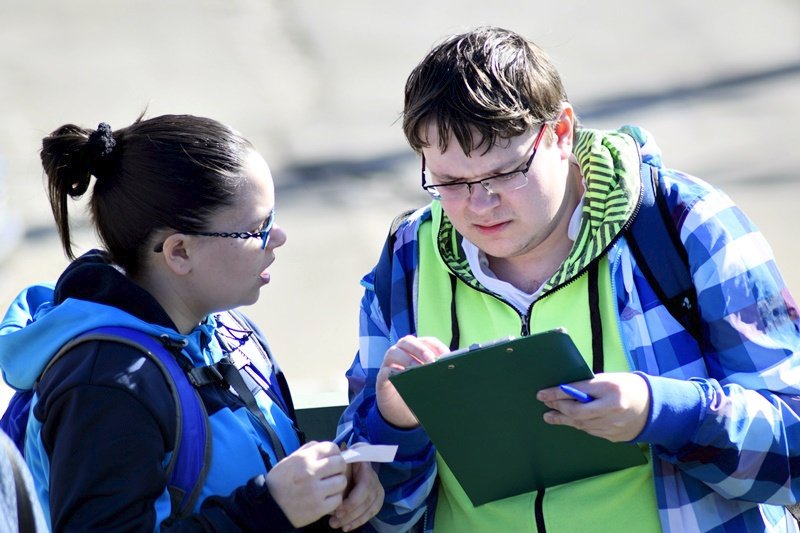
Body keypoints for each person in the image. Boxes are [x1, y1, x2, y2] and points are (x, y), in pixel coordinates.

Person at [338, 26, 800, 532]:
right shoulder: (407, 259)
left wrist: (664, 412)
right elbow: (368, 511)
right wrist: (394, 424)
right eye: (449, 183)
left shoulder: (686, 225)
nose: (479, 204)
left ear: (560, 132)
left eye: (505, 173)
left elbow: (793, 450)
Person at [0, 114, 383, 531]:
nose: (279, 238)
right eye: (257, 228)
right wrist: (270, 509)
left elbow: (271, 471)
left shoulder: (228, 329)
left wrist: (335, 487)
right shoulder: (104, 385)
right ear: (179, 252)